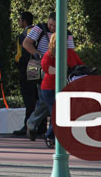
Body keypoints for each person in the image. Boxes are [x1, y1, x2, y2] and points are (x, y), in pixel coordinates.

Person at [22, 11, 75, 140]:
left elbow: (71, 51)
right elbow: (26, 43)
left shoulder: (67, 34)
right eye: (50, 24)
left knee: (47, 99)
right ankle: (37, 125)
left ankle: (34, 124)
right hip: (40, 66)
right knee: (46, 97)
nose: (51, 28)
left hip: (57, 68)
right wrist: (39, 54)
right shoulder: (39, 28)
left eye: (55, 26)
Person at [41, 33, 84, 148]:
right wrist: (62, 70)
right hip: (50, 88)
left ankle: (53, 136)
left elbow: (80, 65)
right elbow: (46, 68)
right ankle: (51, 135)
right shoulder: (50, 54)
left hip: (63, 88)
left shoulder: (70, 53)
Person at [12, 11, 37, 136]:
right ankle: (39, 125)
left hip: (27, 68)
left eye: (20, 20)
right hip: (36, 66)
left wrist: (18, 63)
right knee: (37, 97)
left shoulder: (24, 35)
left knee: (28, 98)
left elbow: (21, 54)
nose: (19, 22)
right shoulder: (38, 31)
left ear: (25, 21)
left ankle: (28, 125)